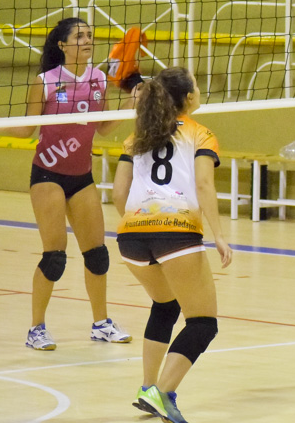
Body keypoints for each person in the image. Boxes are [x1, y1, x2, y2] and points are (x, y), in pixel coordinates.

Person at [0, 16, 132, 350]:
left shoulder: (99, 78)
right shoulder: (45, 81)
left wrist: (131, 103)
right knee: (55, 257)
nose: (87, 40)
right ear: (62, 44)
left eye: (90, 36)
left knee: (97, 255)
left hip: (81, 177)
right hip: (48, 175)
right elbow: (28, 129)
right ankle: (36, 328)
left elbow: (103, 127)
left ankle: (101, 323)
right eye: (80, 36)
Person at [112, 66, 233, 423]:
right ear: (189, 98)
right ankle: (162, 394)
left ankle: (148, 388)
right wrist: (218, 235)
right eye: (197, 86)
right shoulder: (201, 134)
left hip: (131, 236)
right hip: (177, 232)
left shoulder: (137, 137)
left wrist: (140, 222)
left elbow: (119, 192)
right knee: (203, 322)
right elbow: (204, 185)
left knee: (165, 305)